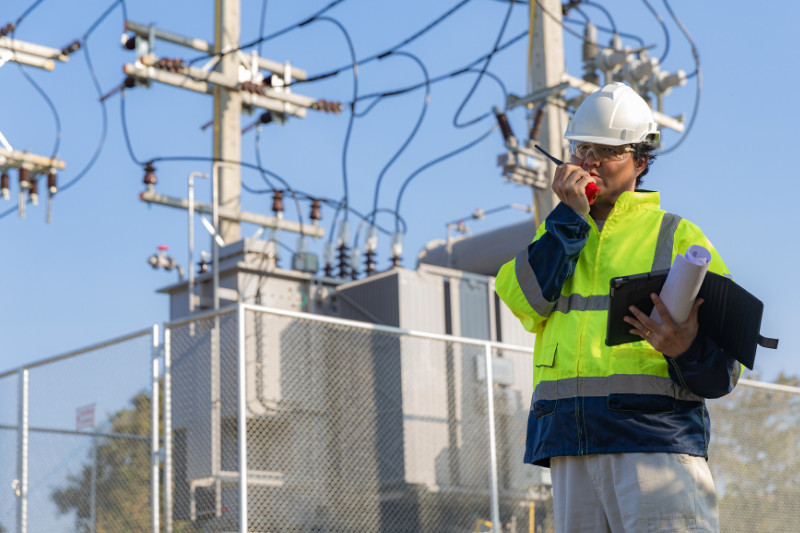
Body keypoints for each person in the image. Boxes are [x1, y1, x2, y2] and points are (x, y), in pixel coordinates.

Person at [495, 82, 739, 533]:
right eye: (582, 148)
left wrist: (685, 348)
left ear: (640, 161)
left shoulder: (678, 236)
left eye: (607, 151)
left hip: (655, 446)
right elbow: (522, 299)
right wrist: (568, 220)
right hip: (569, 446)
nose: (589, 161)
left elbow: (726, 367)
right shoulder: (556, 232)